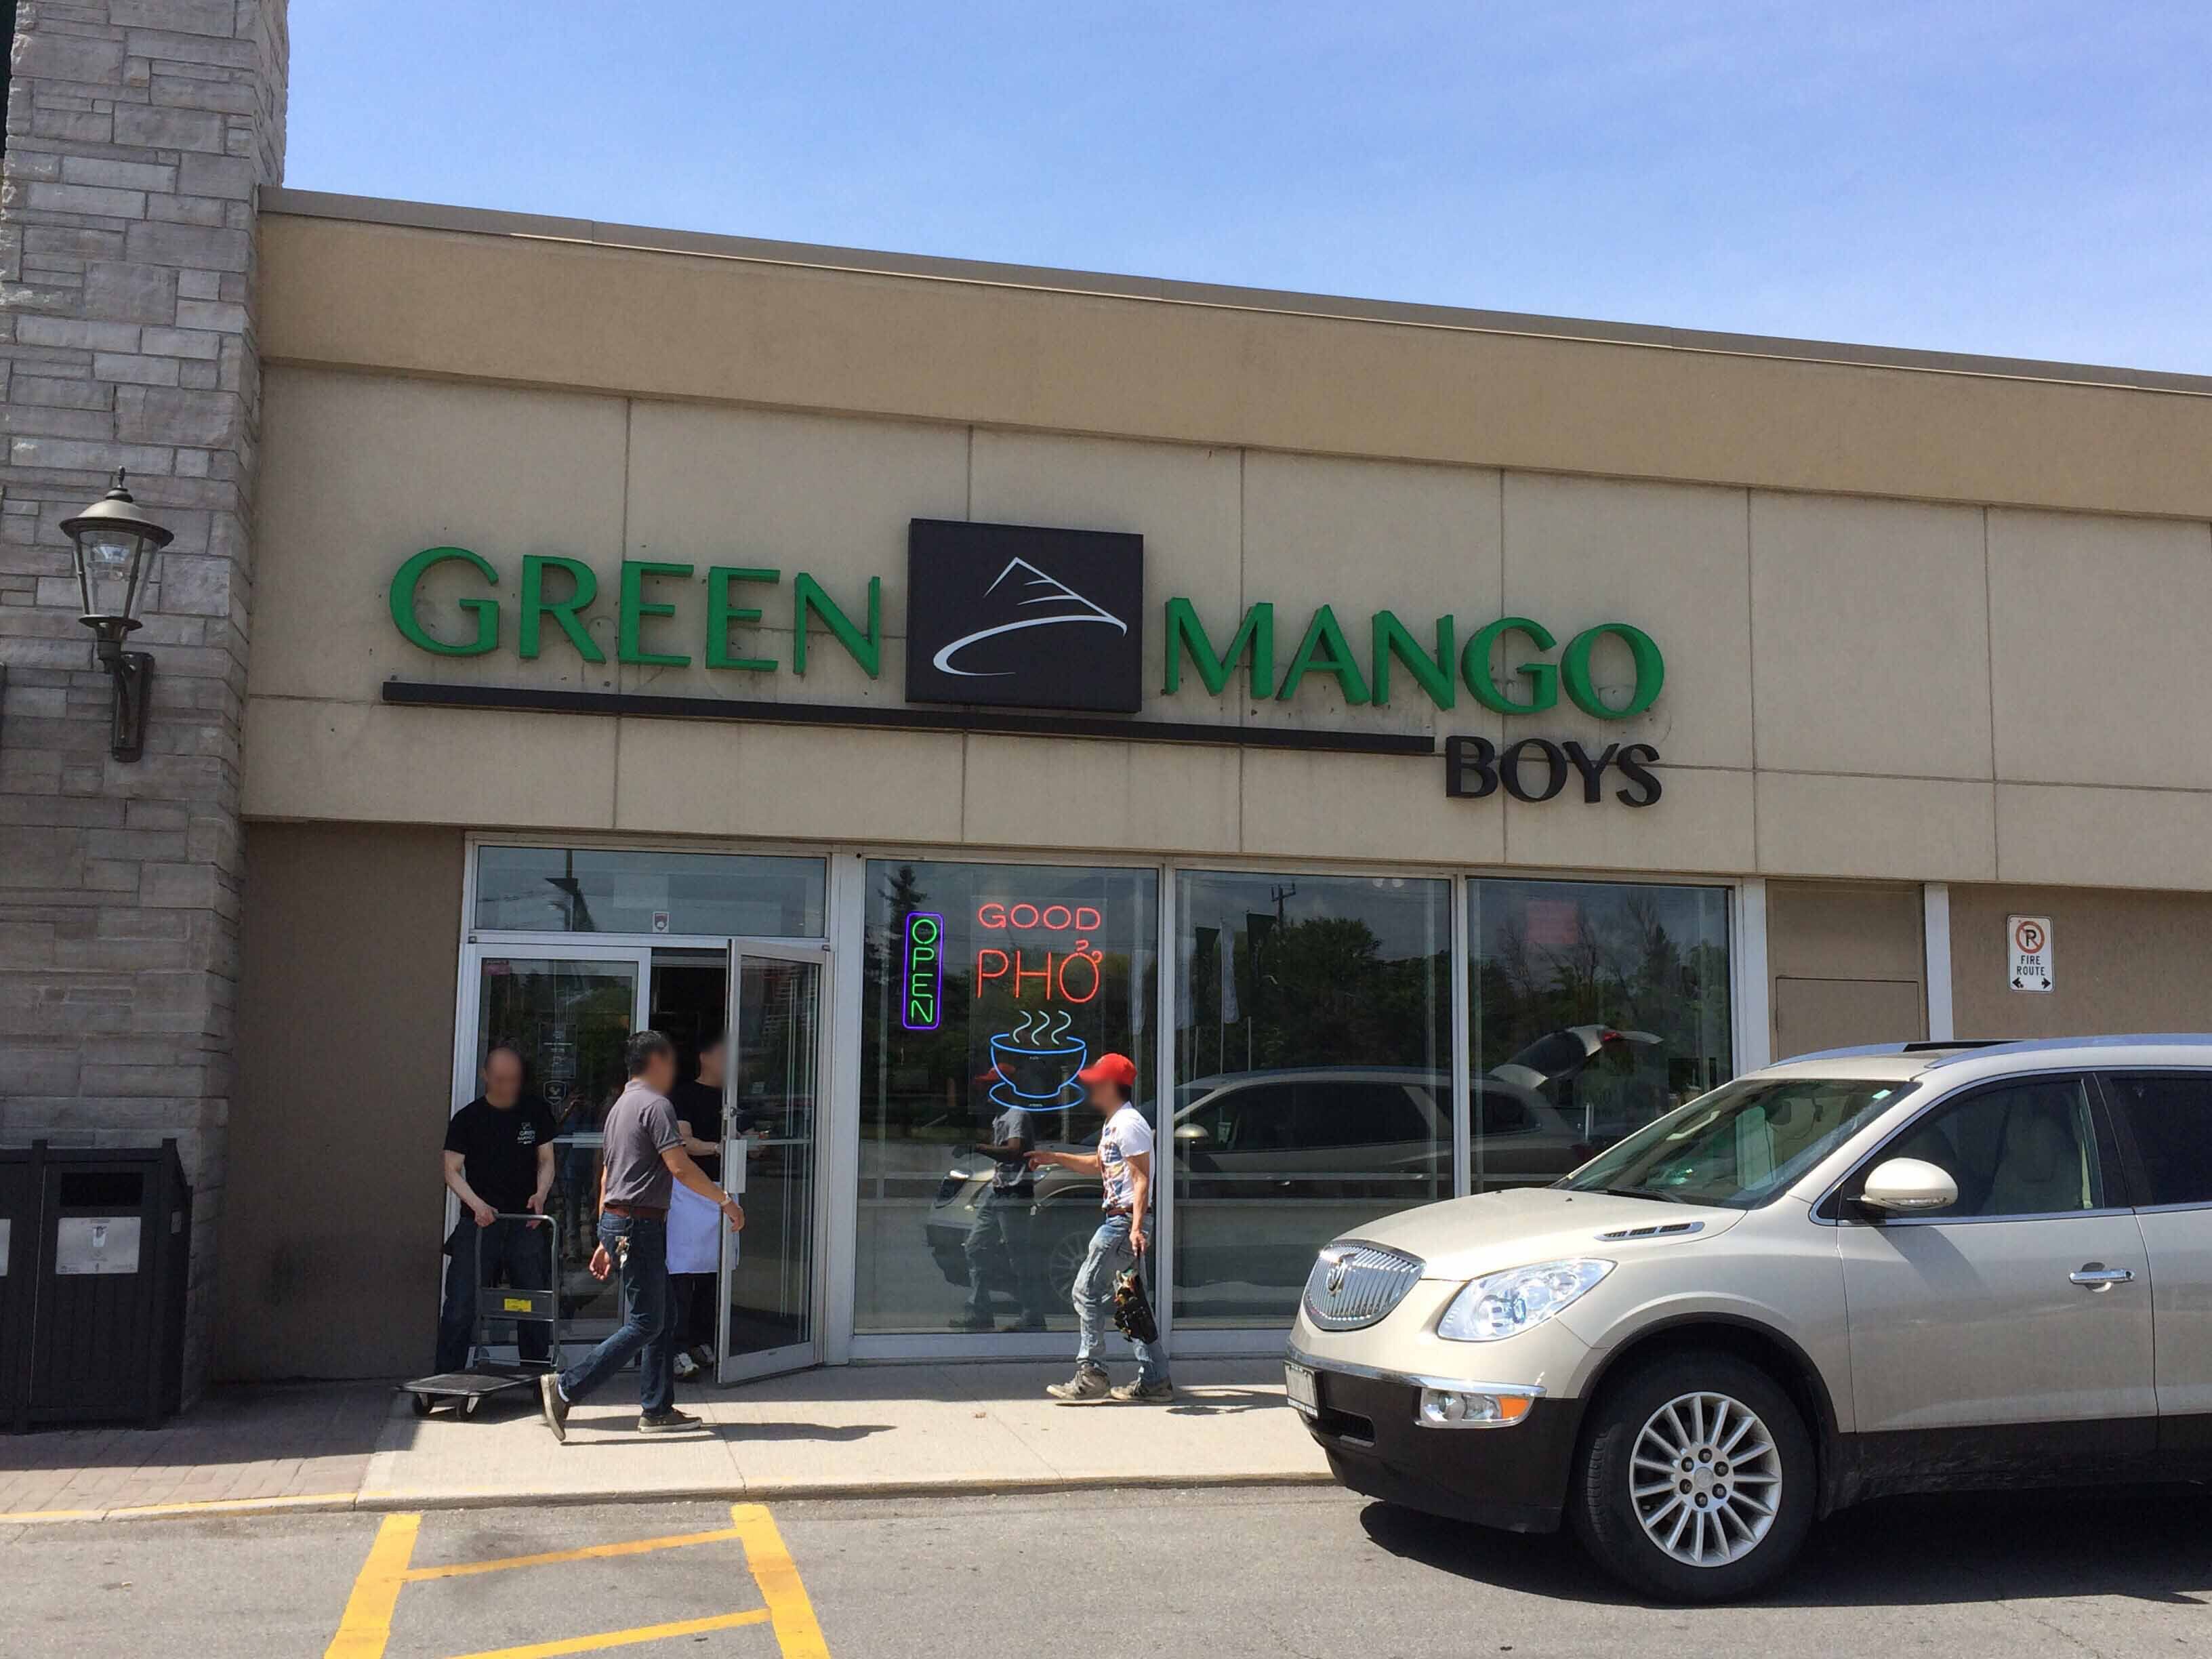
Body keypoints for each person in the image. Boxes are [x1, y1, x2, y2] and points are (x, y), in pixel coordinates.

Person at [537, 1031, 744, 1440]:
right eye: (669, 1061)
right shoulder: (655, 1106)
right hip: (640, 1225)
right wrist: (725, 1200)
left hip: (623, 1221)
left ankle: (657, 1408)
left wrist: (603, 1235)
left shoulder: (620, 1107)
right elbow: (680, 1166)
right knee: (649, 1322)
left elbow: (608, 1172)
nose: (673, 1069)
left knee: (661, 1318)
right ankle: (566, 1387)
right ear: (657, 1062)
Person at [1028, 1052, 1172, 1403]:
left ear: (1110, 1085)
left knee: (1084, 1292)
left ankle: (1092, 1373)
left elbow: (1141, 1178)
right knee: (1130, 1302)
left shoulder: (1129, 1124)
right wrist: (1056, 1158)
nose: (1088, 1086)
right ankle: (1155, 1380)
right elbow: (1101, 1165)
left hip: (1122, 1222)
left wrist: (1137, 1227)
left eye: (1094, 1081)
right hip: (1123, 1221)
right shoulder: (1116, 1123)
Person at [435, 1044, 556, 1374]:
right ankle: (447, 1376)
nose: (508, 1086)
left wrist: (541, 1193)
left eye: (514, 1079)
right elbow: (451, 1170)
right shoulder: (468, 1119)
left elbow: (546, 1160)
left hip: (525, 1223)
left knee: (533, 1304)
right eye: (501, 1079)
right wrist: (476, 1205)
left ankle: (535, 1376)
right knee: (461, 1305)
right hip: (479, 1224)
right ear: (485, 1076)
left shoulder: (535, 1111)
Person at [953, 1074, 1049, 1332]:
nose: (984, 1093)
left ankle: (1032, 1314)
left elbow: (1015, 1150)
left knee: (1018, 1255)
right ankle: (980, 1311)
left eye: (988, 1087)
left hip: (1014, 1193)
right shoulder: (1000, 1117)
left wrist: (978, 1148)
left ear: (1004, 1089)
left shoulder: (1016, 1115)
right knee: (975, 1246)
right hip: (998, 1192)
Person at [667, 1033, 728, 1378]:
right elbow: (684, 1143)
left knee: (713, 1272)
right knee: (684, 1270)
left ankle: (703, 1341)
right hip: (690, 1193)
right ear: (704, 1057)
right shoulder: (683, 1095)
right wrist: (719, 1149)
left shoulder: (733, 1097)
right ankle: (676, 1346)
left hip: (725, 1191)